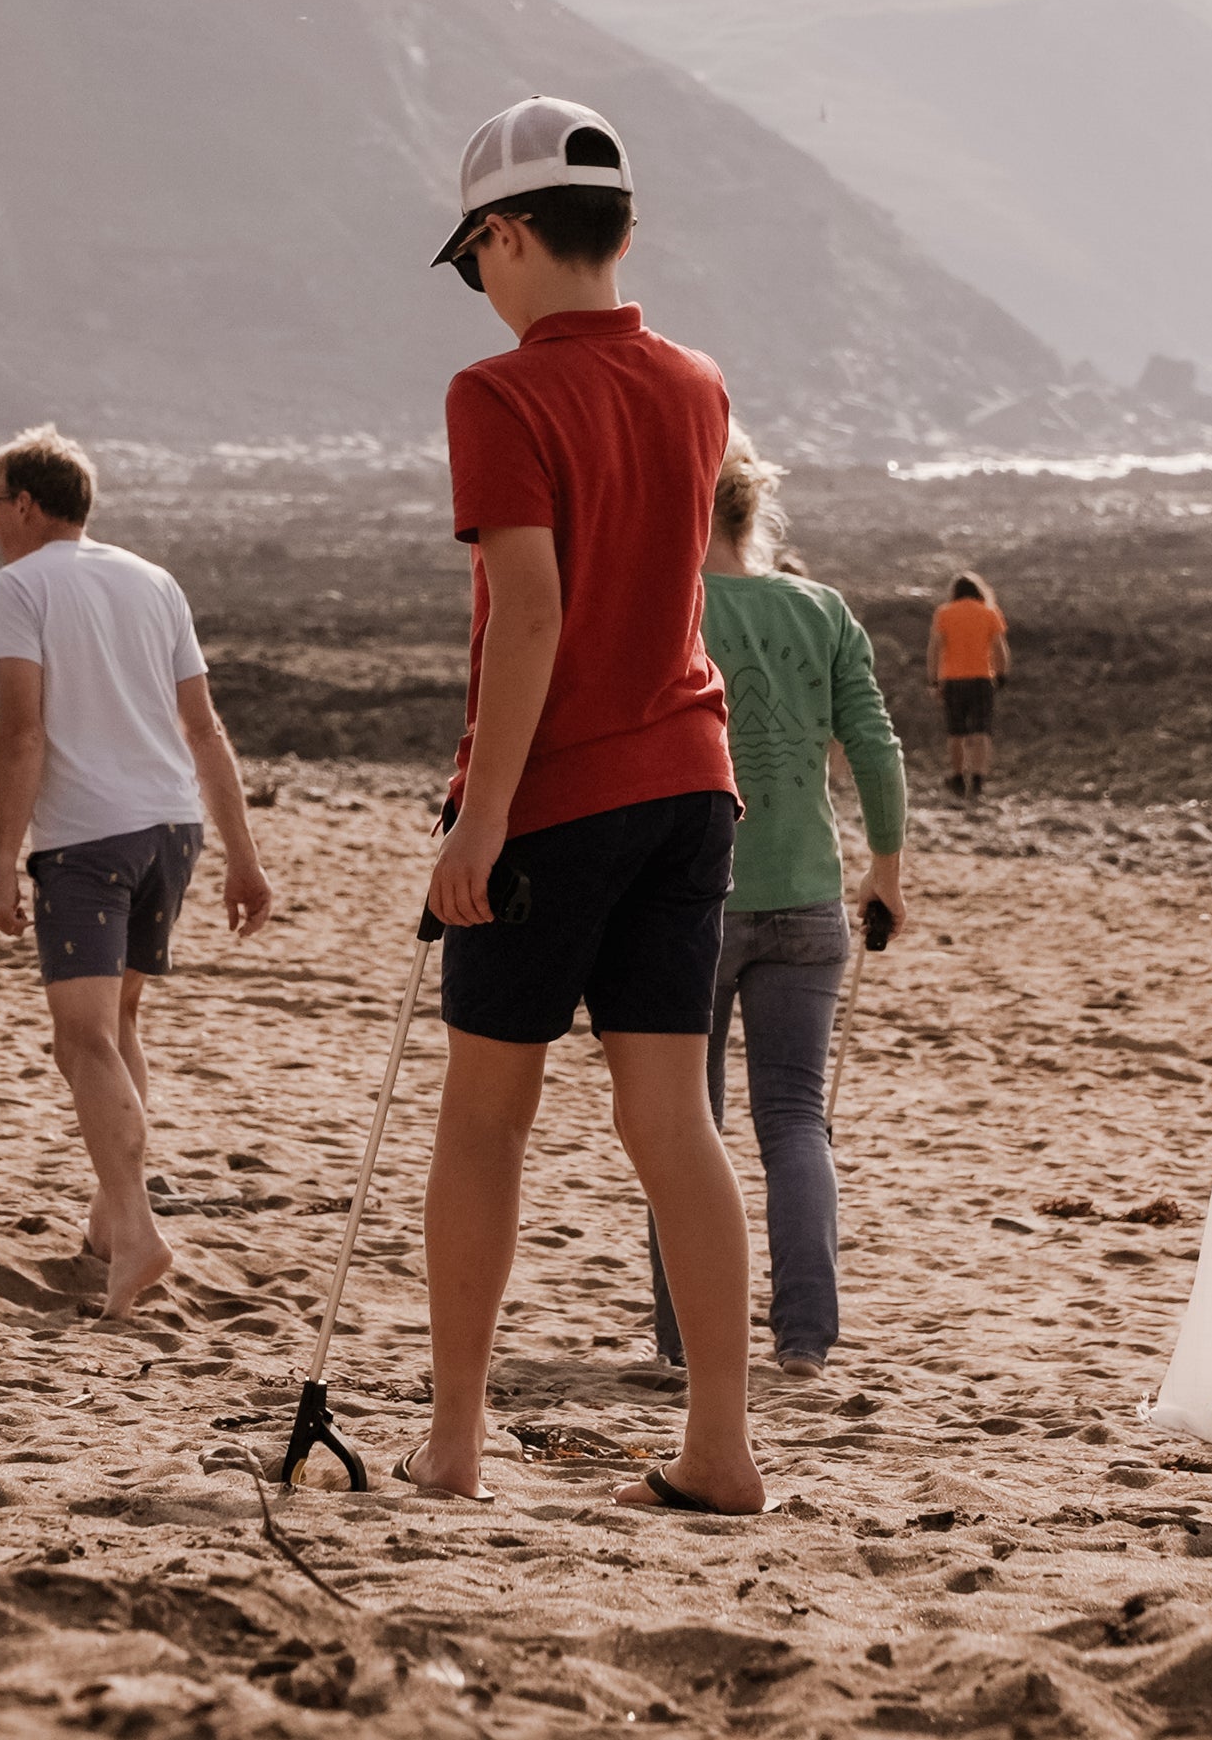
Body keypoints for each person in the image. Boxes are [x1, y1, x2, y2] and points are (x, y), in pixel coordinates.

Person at [403, 96, 763, 1516]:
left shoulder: (494, 393)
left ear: (505, 233)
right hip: (694, 783)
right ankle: (720, 1447)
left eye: (474, 256)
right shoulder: (698, 383)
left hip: (560, 797)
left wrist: (480, 822)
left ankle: (455, 1441)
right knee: (674, 1124)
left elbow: (534, 616)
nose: (479, 284)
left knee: (485, 1117)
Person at [0, 424, 275, 1318]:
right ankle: (111, 1215)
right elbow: (204, 729)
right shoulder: (154, 580)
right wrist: (243, 856)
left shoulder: (16, 586)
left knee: (81, 1039)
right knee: (122, 1017)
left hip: (87, 840)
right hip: (170, 829)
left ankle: (138, 1228)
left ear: (25, 503)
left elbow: (20, 731)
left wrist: (0, 860)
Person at [644, 425, 907, 1382]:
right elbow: (875, 747)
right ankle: (804, 1339)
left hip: (686, 901)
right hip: (807, 897)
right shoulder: (822, 608)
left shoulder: (668, 609)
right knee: (796, 1121)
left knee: (682, 1120)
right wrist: (886, 869)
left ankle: (683, 1341)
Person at [926, 573, 1010, 798]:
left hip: (952, 679)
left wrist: (933, 680)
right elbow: (999, 648)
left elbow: (934, 648)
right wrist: (1001, 675)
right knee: (981, 730)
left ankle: (957, 777)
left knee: (956, 731)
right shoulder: (989, 612)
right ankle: (978, 778)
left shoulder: (944, 613)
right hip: (982, 678)